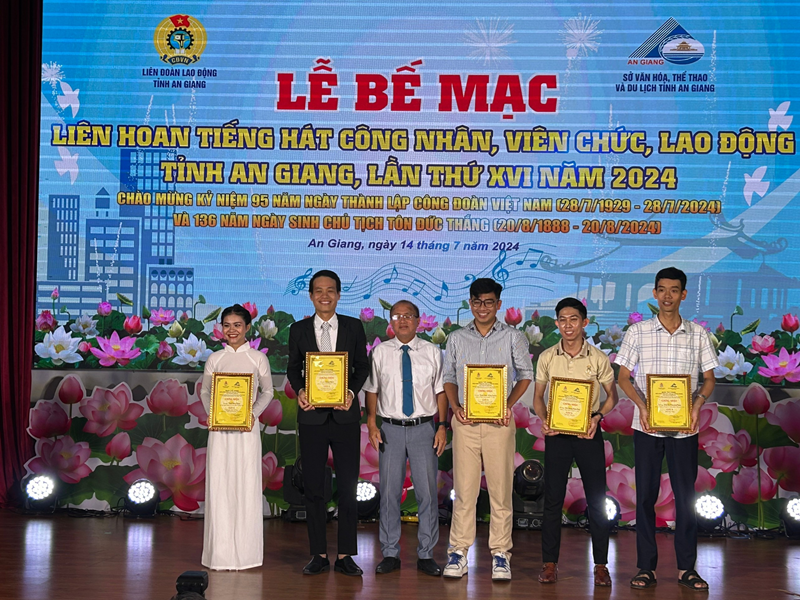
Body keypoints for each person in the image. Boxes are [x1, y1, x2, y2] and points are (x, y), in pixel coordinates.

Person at [614, 267, 718, 592]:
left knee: (686, 498)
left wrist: (697, 404)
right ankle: (646, 567)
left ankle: (687, 569)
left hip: (685, 428)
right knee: (645, 496)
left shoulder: (698, 334)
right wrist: (642, 406)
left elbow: (709, 378)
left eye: (674, 290)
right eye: (662, 289)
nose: (668, 296)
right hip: (647, 427)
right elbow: (623, 377)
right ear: (655, 293)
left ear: (683, 294)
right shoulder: (638, 332)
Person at [441, 278, 533, 581]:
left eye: (489, 302)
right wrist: (455, 406)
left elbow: (525, 374)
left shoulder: (513, 337)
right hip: (465, 423)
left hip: (499, 424)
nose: (483, 308)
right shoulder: (456, 338)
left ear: (498, 304)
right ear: (470, 303)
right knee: (464, 492)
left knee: (500, 491)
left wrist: (507, 405)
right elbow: (449, 377)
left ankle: (500, 554)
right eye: (478, 302)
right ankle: (458, 552)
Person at [286, 270, 370, 576]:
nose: (325, 295)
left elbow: (362, 366)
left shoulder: (353, 326)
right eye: (319, 291)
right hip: (312, 417)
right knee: (313, 487)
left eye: (330, 290)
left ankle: (346, 555)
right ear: (311, 296)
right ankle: (318, 554)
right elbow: (293, 368)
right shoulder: (298, 329)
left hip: (345, 416)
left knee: (348, 487)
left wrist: (351, 392)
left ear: (338, 294)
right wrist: (300, 390)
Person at [532, 297, 619, 587]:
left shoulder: (598, 358)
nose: (567, 325)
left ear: (584, 322)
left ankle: (601, 565)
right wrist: (544, 419)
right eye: (562, 320)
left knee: (597, 499)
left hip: (588, 433)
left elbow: (613, 396)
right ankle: (549, 563)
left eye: (573, 319)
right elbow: (538, 397)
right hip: (557, 435)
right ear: (557, 323)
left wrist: (597, 418)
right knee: (553, 499)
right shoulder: (547, 357)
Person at [364, 300, 449, 577]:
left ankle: (426, 554)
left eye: (408, 316)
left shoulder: (432, 351)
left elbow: (440, 391)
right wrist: (372, 423)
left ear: (417, 321)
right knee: (389, 493)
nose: (402, 321)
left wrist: (441, 426)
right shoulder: (380, 352)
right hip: (390, 429)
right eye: (396, 316)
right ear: (391, 321)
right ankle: (390, 552)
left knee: (427, 493)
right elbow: (372, 390)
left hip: (424, 428)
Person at [200, 304, 274, 570]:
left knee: (246, 484)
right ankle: (218, 556)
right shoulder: (215, 359)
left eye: (237, 325)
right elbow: (205, 391)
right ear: (221, 328)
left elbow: (268, 392)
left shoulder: (257, 358)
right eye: (227, 325)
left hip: (246, 430)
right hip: (219, 430)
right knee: (219, 485)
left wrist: (252, 414)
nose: (232, 330)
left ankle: (246, 555)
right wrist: (213, 413)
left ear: (248, 328)